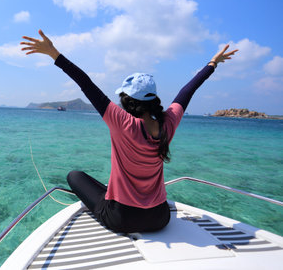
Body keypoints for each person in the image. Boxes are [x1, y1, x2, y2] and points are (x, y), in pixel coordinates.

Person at [20, 29, 238, 233]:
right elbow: (187, 91)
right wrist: (212, 64)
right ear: (153, 100)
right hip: (160, 219)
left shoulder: (122, 122)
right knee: (103, 188)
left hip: (121, 219)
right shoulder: (168, 123)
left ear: (127, 101)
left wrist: (53, 54)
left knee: (74, 176)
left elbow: (85, 83)